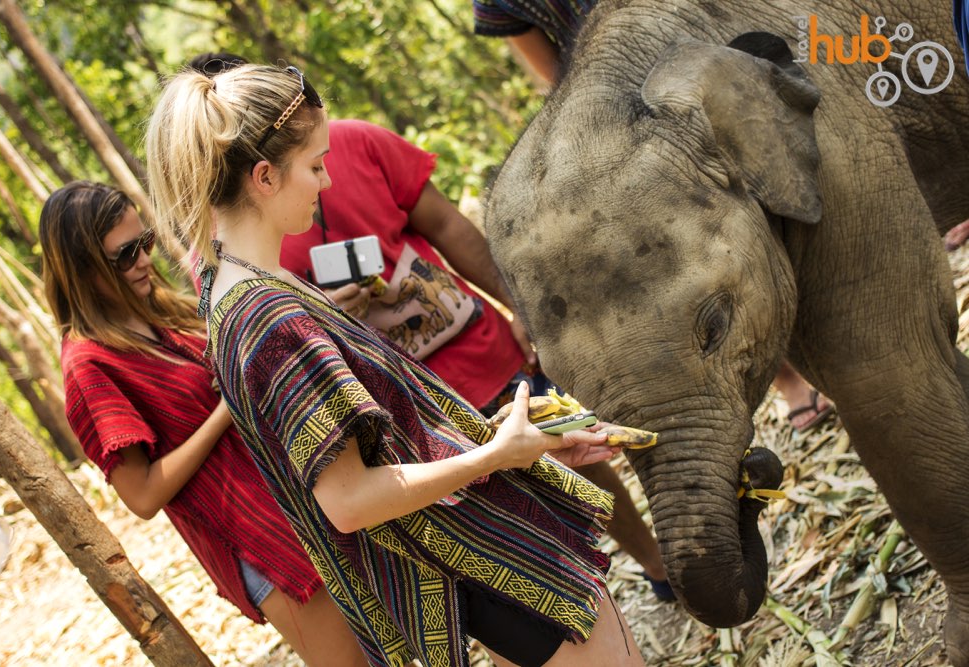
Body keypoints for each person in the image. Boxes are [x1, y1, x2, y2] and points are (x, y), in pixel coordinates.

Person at [147, 63, 646, 667]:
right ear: (264, 176)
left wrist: (519, 441)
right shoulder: (268, 321)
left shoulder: (233, 287)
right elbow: (349, 499)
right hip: (479, 557)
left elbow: (391, 443)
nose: (326, 181)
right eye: (314, 164)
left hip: (465, 544)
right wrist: (495, 456)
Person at [39, 181, 367, 667]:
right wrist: (224, 411)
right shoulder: (89, 367)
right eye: (125, 255)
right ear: (83, 269)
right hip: (261, 542)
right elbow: (143, 495)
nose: (145, 261)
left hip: (305, 501)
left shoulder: (157, 311)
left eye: (144, 242)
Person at [472, 4, 835, 433]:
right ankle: (789, 380)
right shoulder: (496, 2)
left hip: (715, 53)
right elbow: (555, 77)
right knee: (703, 275)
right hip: (631, 126)